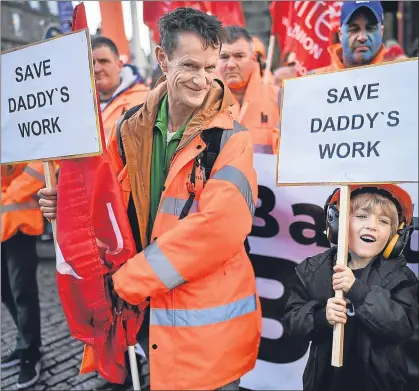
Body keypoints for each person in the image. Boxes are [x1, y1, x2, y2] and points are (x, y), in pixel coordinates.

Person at [38, 7, 261, 390]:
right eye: (190, 65)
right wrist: (64, 204)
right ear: (162, 58)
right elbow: (102, 201)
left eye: (210, 68)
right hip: (149, 319)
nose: (202, 79)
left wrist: (130, 281)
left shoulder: (232, 138)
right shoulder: (128, 129)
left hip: (208, 333)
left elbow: (221, 230)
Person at [282, 184, 418, 391]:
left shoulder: (402, 278)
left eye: (383, 221)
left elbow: (402, 328)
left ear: (395, 238)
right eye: (362, 216)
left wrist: (358, 291)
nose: (372, 226)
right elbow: (292, 323)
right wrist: (321, 318)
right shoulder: (312, 270)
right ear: (337, 224)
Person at [1, 162, 46, 389]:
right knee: (5, 291)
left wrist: (10, 194)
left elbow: (41, 164)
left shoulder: (16, 128)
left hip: (19, 225)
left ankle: (30, 352)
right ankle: (25, 342)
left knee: (22, 292)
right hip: (5, 224)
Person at [217, 26, 280, 154]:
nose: (231, 65)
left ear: (253, 58)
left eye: (239, 56)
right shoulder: (199, 104)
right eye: (224, 57)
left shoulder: (280, 99)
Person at [92, 36, 149, 141]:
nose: (97, 69)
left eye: (103, 61)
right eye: (92, 63)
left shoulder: (146, 99)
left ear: (119, 65)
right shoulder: (80, 107)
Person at [313, 1, 387, 74]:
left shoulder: (395, 75)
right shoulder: (314, 79)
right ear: (340, 34)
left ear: (381, 32)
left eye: (370, 28)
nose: (362, 37)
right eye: (354, 29)